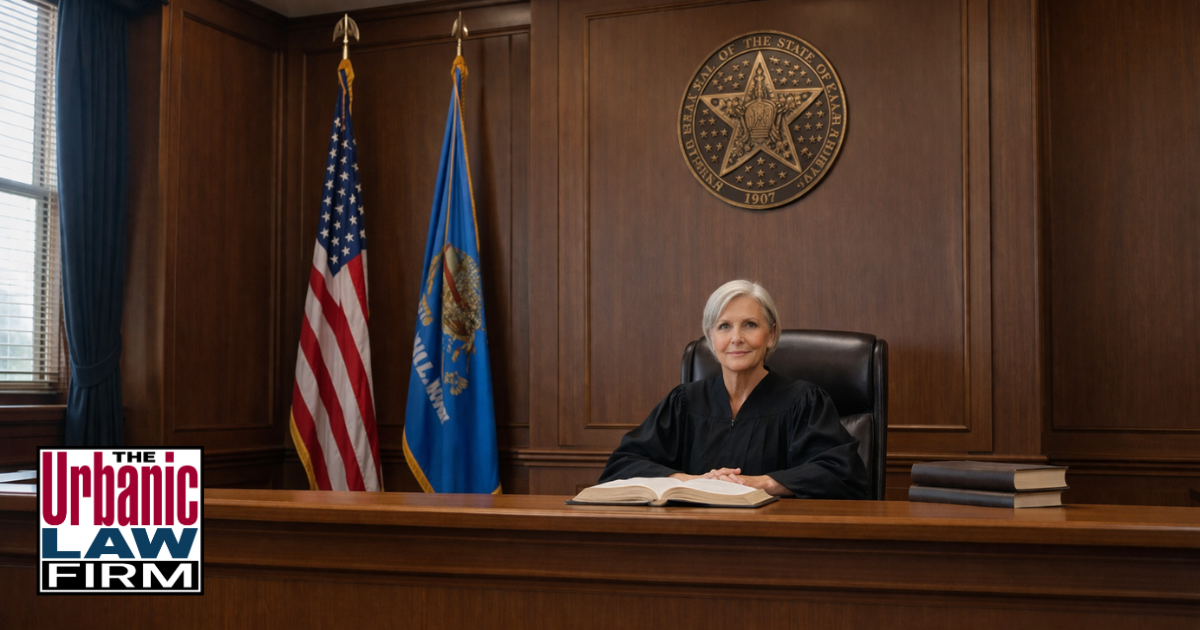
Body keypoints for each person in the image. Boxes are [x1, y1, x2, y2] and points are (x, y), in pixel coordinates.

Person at [598, 280, 868, 499]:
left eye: (750, 325)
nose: (736, 338)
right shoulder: (683, 403)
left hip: (780, 545)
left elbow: (841, 475)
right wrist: (692, 482)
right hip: (691, 541)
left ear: (771, 334)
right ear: (710, 336)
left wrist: (760, 483)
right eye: (724, 326)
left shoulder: (804, 402)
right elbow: (621, 466)